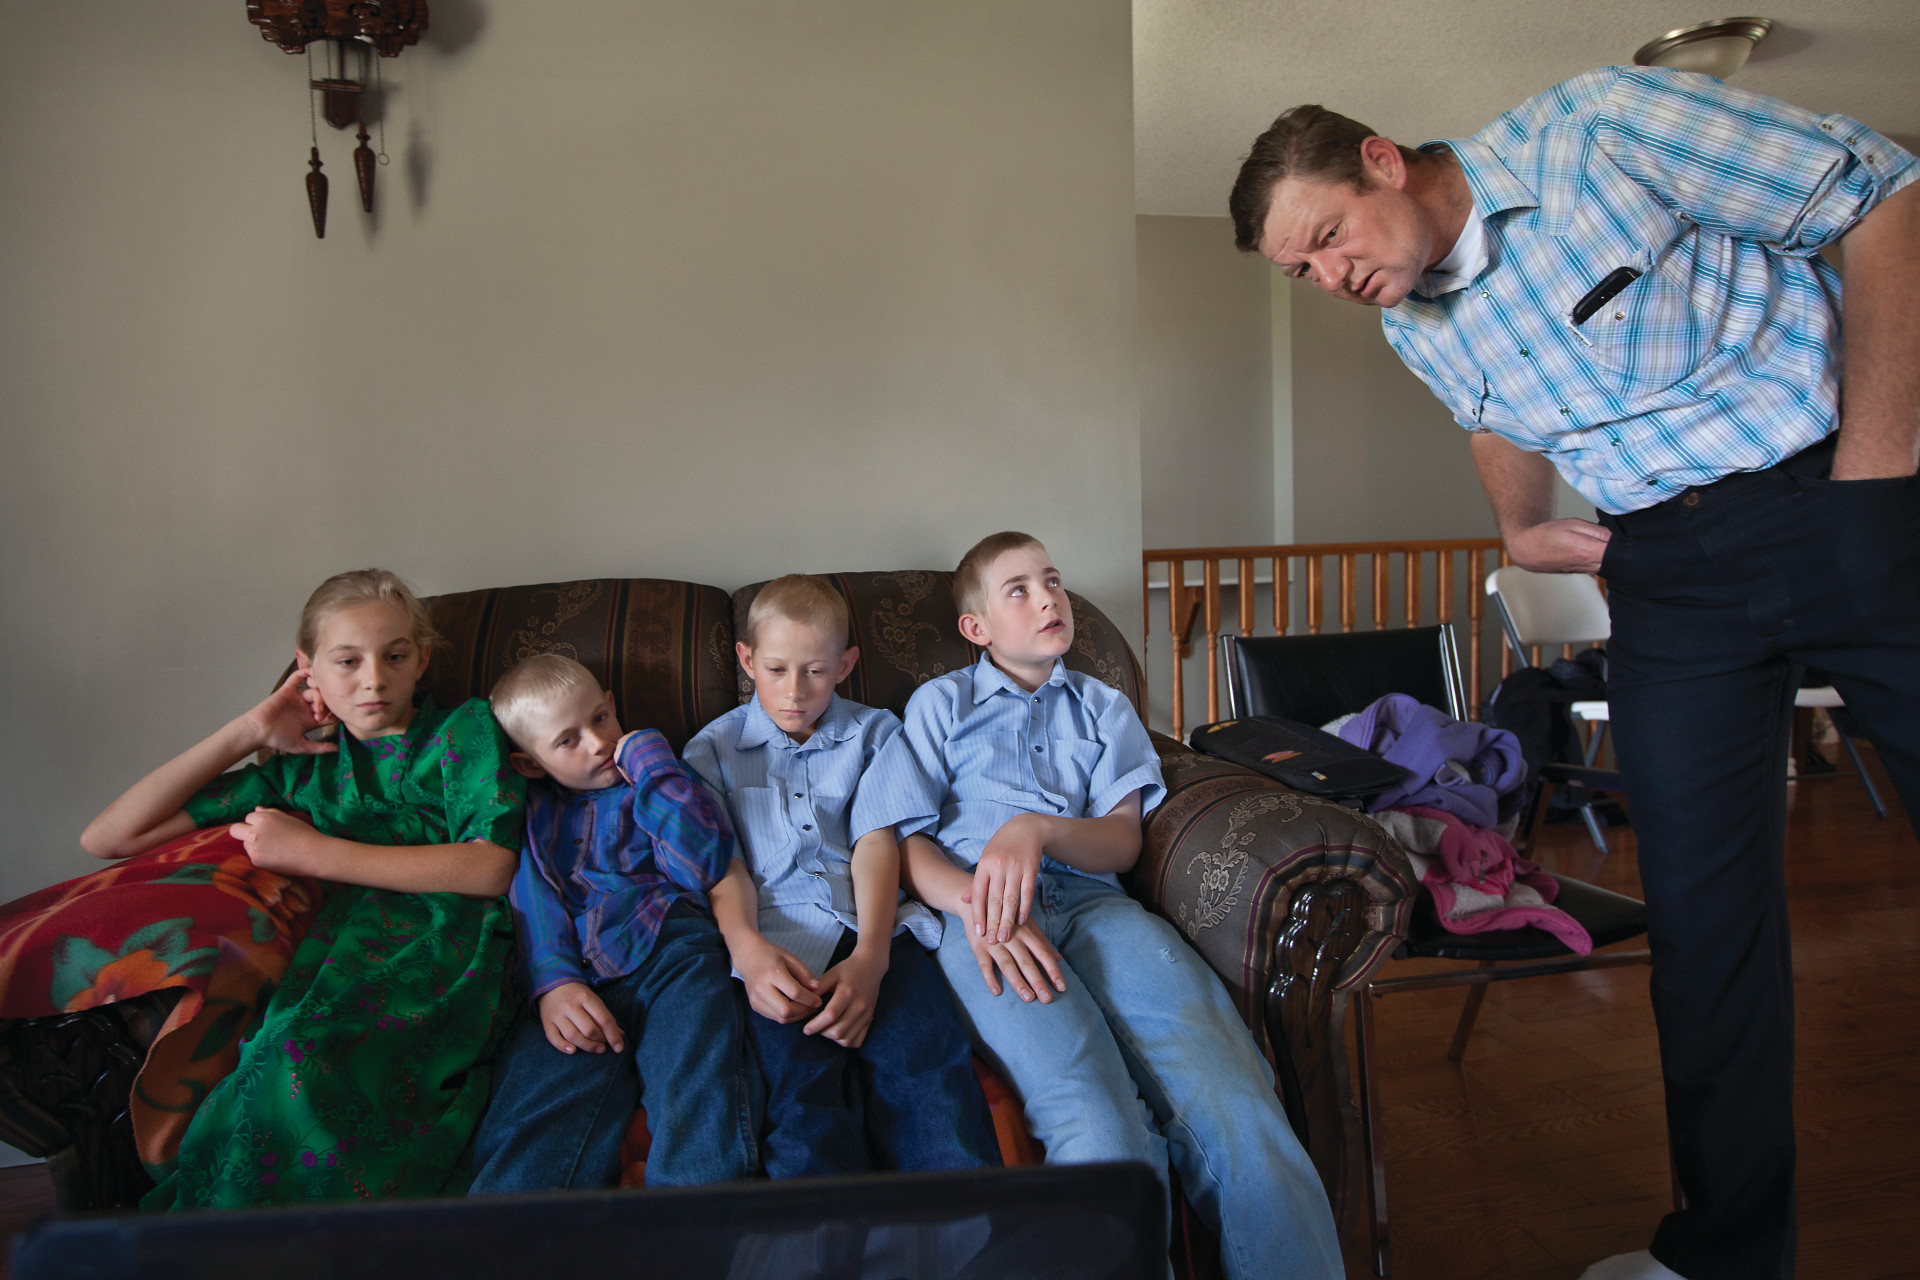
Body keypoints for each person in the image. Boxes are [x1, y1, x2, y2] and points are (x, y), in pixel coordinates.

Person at [1229, 67, 1919, 1280]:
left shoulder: (1599, 127)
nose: (1329, 279)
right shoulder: (1409, 316)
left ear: (1382, 160)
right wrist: (1523, 525)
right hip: (1669, 567)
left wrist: (1874, 487)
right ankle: (1724, 1251)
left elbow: (1886, 196)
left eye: (1328, 237)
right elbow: (1492, 415)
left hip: (1838, 489)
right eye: (1302, 272)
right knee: (1705, 929)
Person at [896, 532, 1343, 1280]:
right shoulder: (937, 706)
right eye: (1020, 589)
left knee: (1238, 1098)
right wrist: (978, 905)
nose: (1048, 599)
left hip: (1098, 908)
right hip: (981, 918)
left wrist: (1036, 829)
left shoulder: (1104, 707)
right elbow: (905, 847)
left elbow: (1122, 843)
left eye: (1054, 581)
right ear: (976, 628)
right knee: (1102, 1129)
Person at [78, 568, 528, 1208]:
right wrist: (250, 730)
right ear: (307, 667)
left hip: (452, 947)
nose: (373, 679)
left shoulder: (463, 731)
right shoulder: (304, 767)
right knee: (277, 1056)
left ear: (422, 660)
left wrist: (318, 854)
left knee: (311, 1058)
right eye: (346, 661)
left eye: (395, 656)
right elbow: (110, 837)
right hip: (338, 959)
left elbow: (491, 868)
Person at [683, 574, 1000, 1179]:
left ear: (846, 664)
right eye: (776, 670)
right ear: (747, 660)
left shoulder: (877, 733)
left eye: (816, 671)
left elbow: (877, 841)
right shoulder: (710, 752)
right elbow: (722, 865)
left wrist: (872, 958)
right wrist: (748, 953)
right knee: (802, 1110)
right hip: (775, 948)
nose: (795, 691)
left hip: (879, 933)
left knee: (932, 1083)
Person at [468, 655, 758, 1192]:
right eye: (567, 741)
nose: (598, 743)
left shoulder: (662, 778)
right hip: (578, 974)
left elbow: (702, 864)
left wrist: (651, 764)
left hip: (675, 950)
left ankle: (697, 1238)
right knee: (532, 1110)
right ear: (531, 764)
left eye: (601, 718)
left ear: (614, 706)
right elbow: (534, 901)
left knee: (698, 1089)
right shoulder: (529, 812)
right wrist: (554, 984)